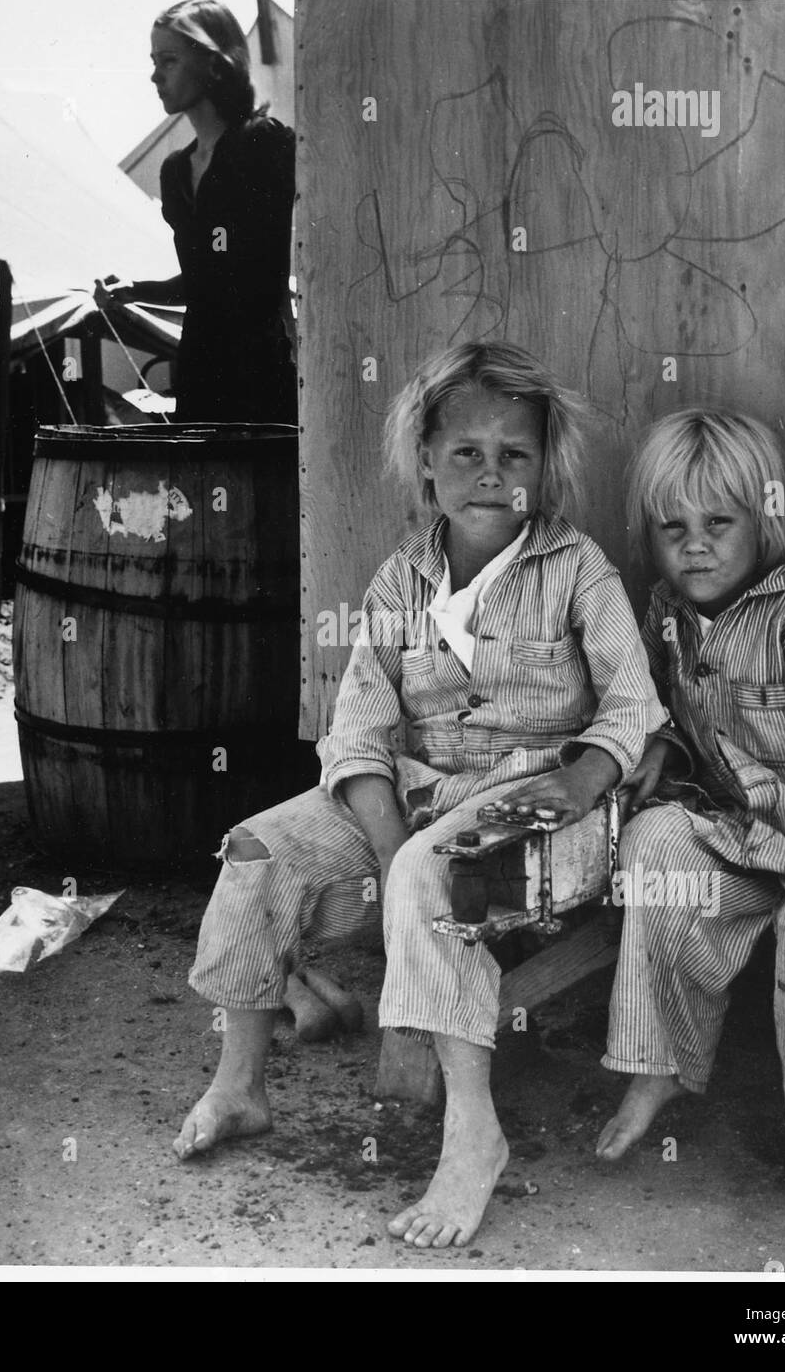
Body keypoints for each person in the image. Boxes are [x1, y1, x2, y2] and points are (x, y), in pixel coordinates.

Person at [174, 340, 666, 1249]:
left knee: (433, 877)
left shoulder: (577, 570)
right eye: (465, 453)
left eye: (513, 455)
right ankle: (240, 1084)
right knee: (257, 847)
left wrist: (582, 777)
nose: (489, 474)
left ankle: (473, 1132)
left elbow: (633, 703)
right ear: (426, 463)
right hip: (411, 799)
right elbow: (356, 733)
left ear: (543, 467)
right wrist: (391, 836)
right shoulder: (401, 579)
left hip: (541, 803)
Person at [596, 409, 785, 1220]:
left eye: (718, 523)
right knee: (655, 839)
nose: (694, 545)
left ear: (762, 523)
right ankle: (657, 1063)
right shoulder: (663, 614)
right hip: (746, 837)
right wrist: (659, 743)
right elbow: (649, 702)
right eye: (673, 527)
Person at [96, 0, 296, 424]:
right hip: (202, 368)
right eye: (154, 61)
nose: (155, 75)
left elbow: (257, 279)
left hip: (259, 371)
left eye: (168, 60)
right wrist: (137, 289)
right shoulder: (174, 170)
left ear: (213, 63)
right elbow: (205, 283)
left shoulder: (263, 143)